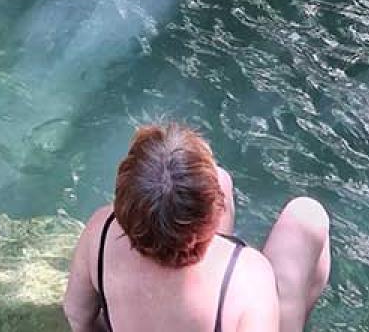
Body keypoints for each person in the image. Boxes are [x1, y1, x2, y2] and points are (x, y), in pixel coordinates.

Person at [63, 123, 331, 332]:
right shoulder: (247, 277)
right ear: (209, 214)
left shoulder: (101, 229)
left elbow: (79, 318)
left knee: (221, 177)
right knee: (307, 217)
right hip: (223, 303)